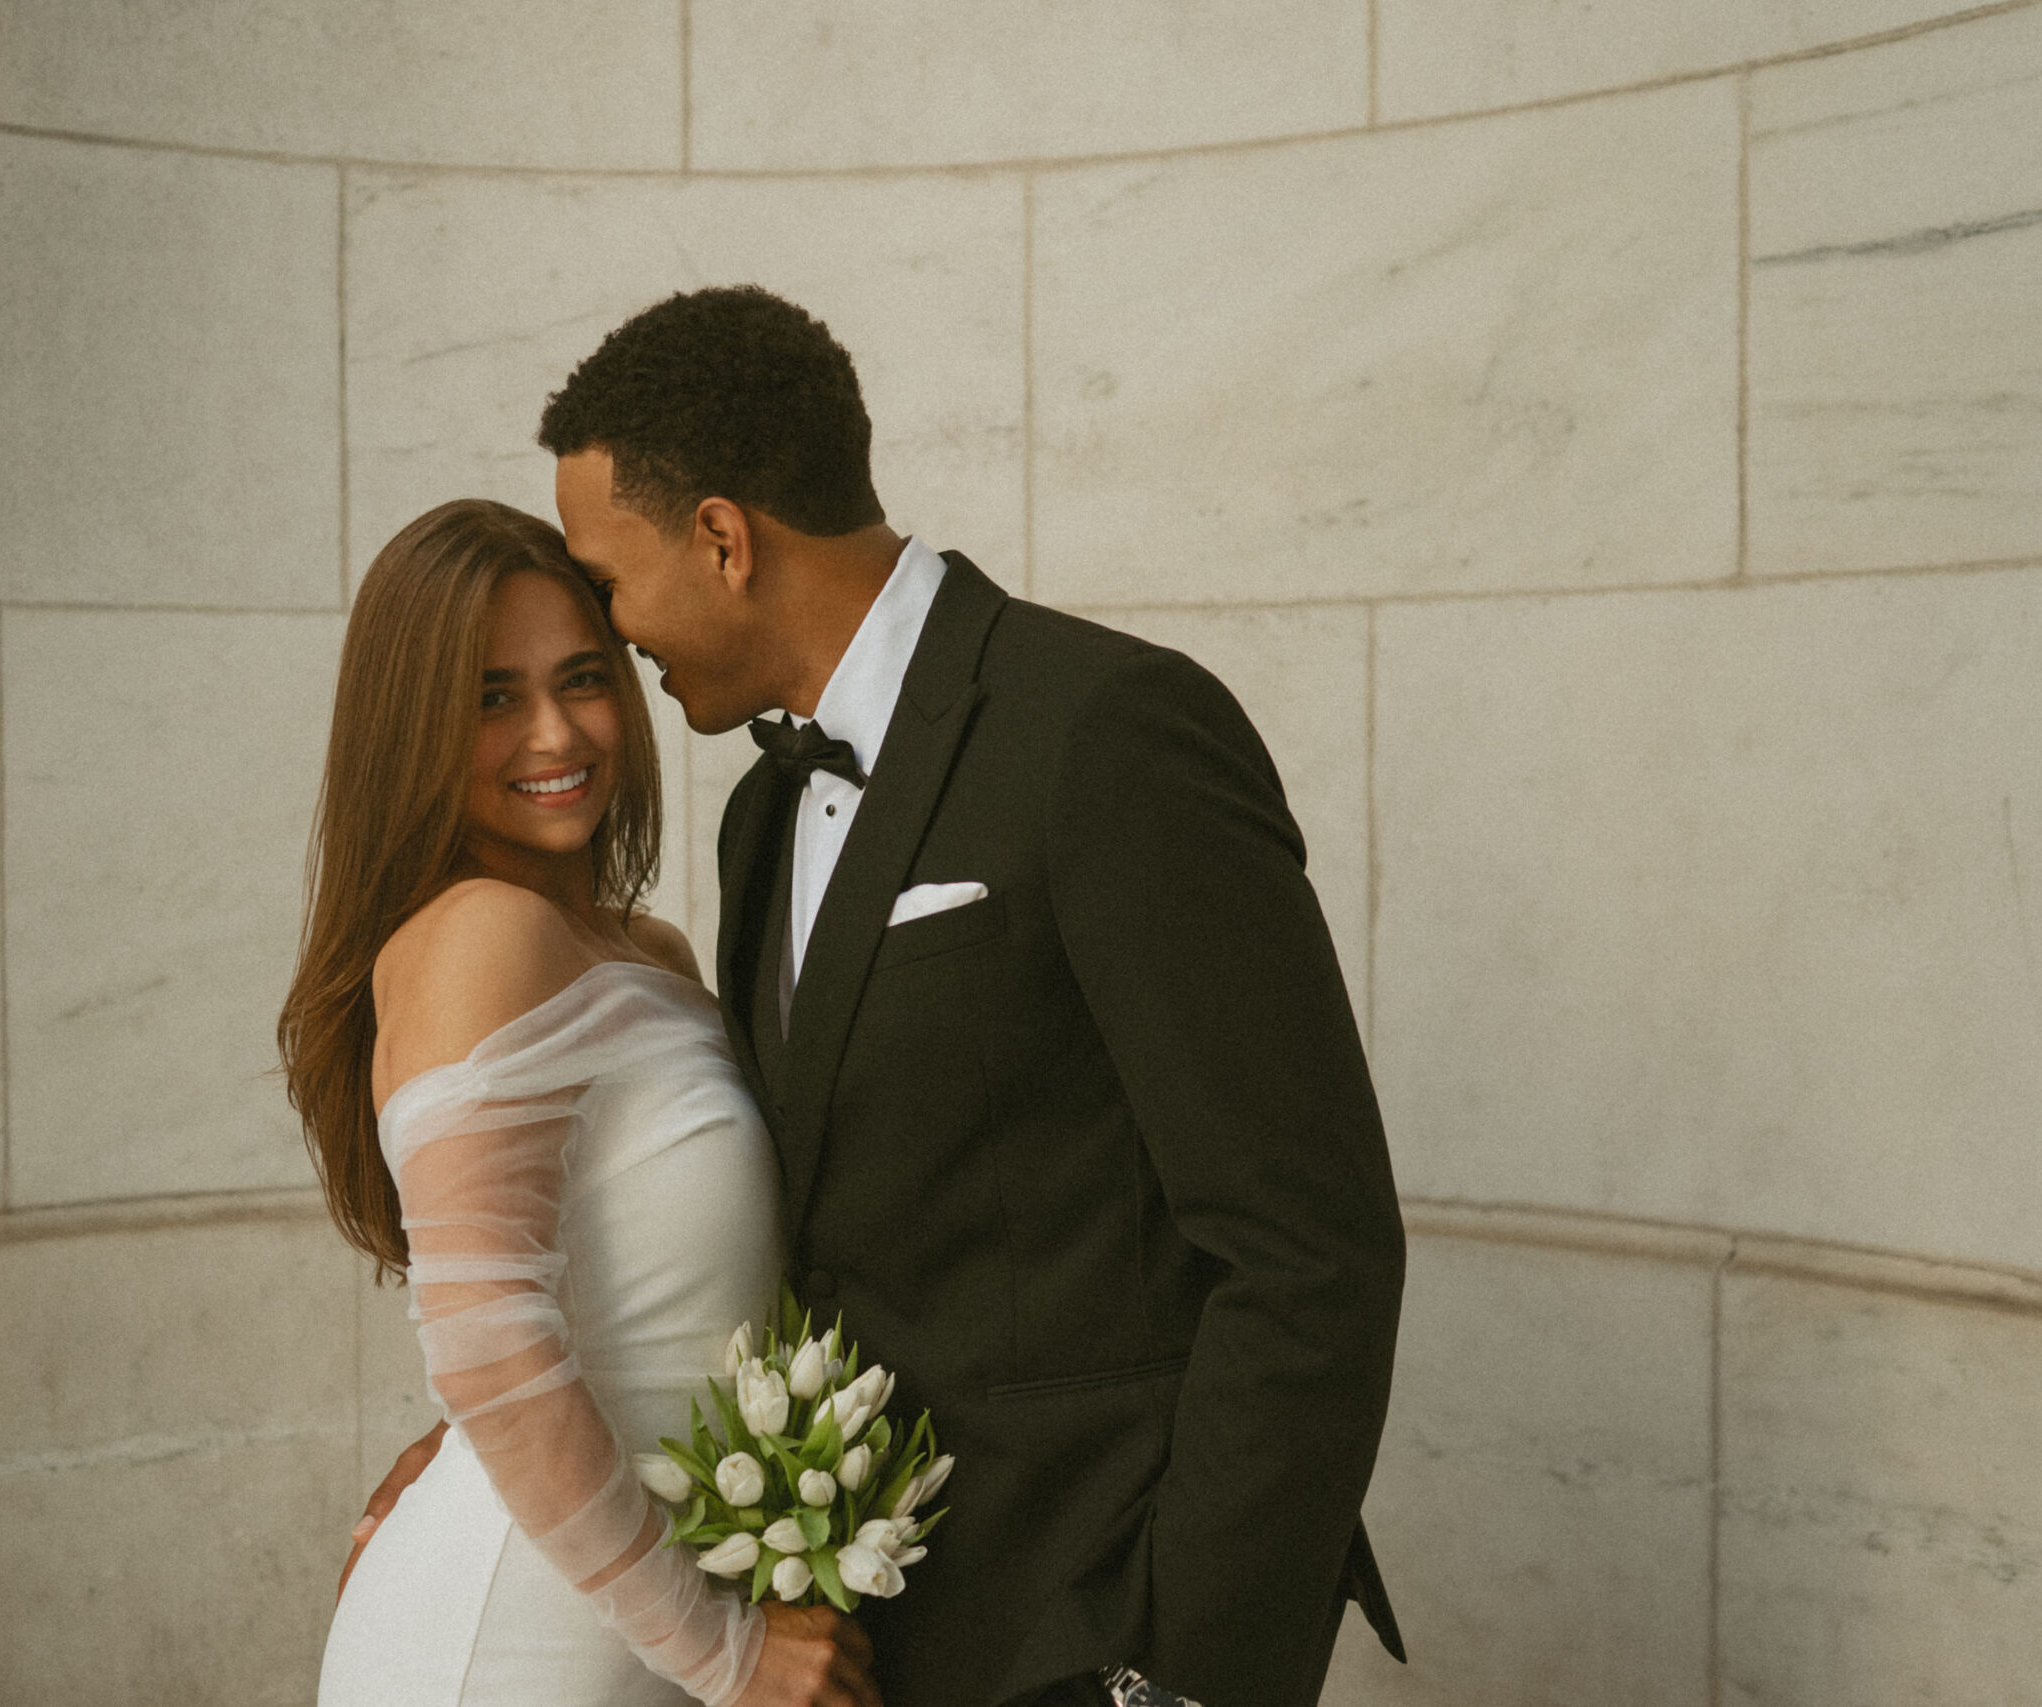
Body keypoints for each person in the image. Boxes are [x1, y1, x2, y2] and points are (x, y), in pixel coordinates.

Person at [353, 287, 1411, 1707]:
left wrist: (1186, 1665)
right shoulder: (758, 822)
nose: (613, 626)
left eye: (610, 582)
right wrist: (482, 1444)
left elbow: (1310, 1249)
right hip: (868, 1637)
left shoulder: (1101, 731)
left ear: (723, 537)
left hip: (1101, 1632)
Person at [287, 498, 882, 1707]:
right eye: (491, 697)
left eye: (581, 678)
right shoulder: (480, 939)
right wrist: (726, 1655)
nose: (555, 733)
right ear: (412, 732)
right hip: (521, 1645)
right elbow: (492, 1347)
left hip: (634, 1630)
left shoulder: (644, 952)